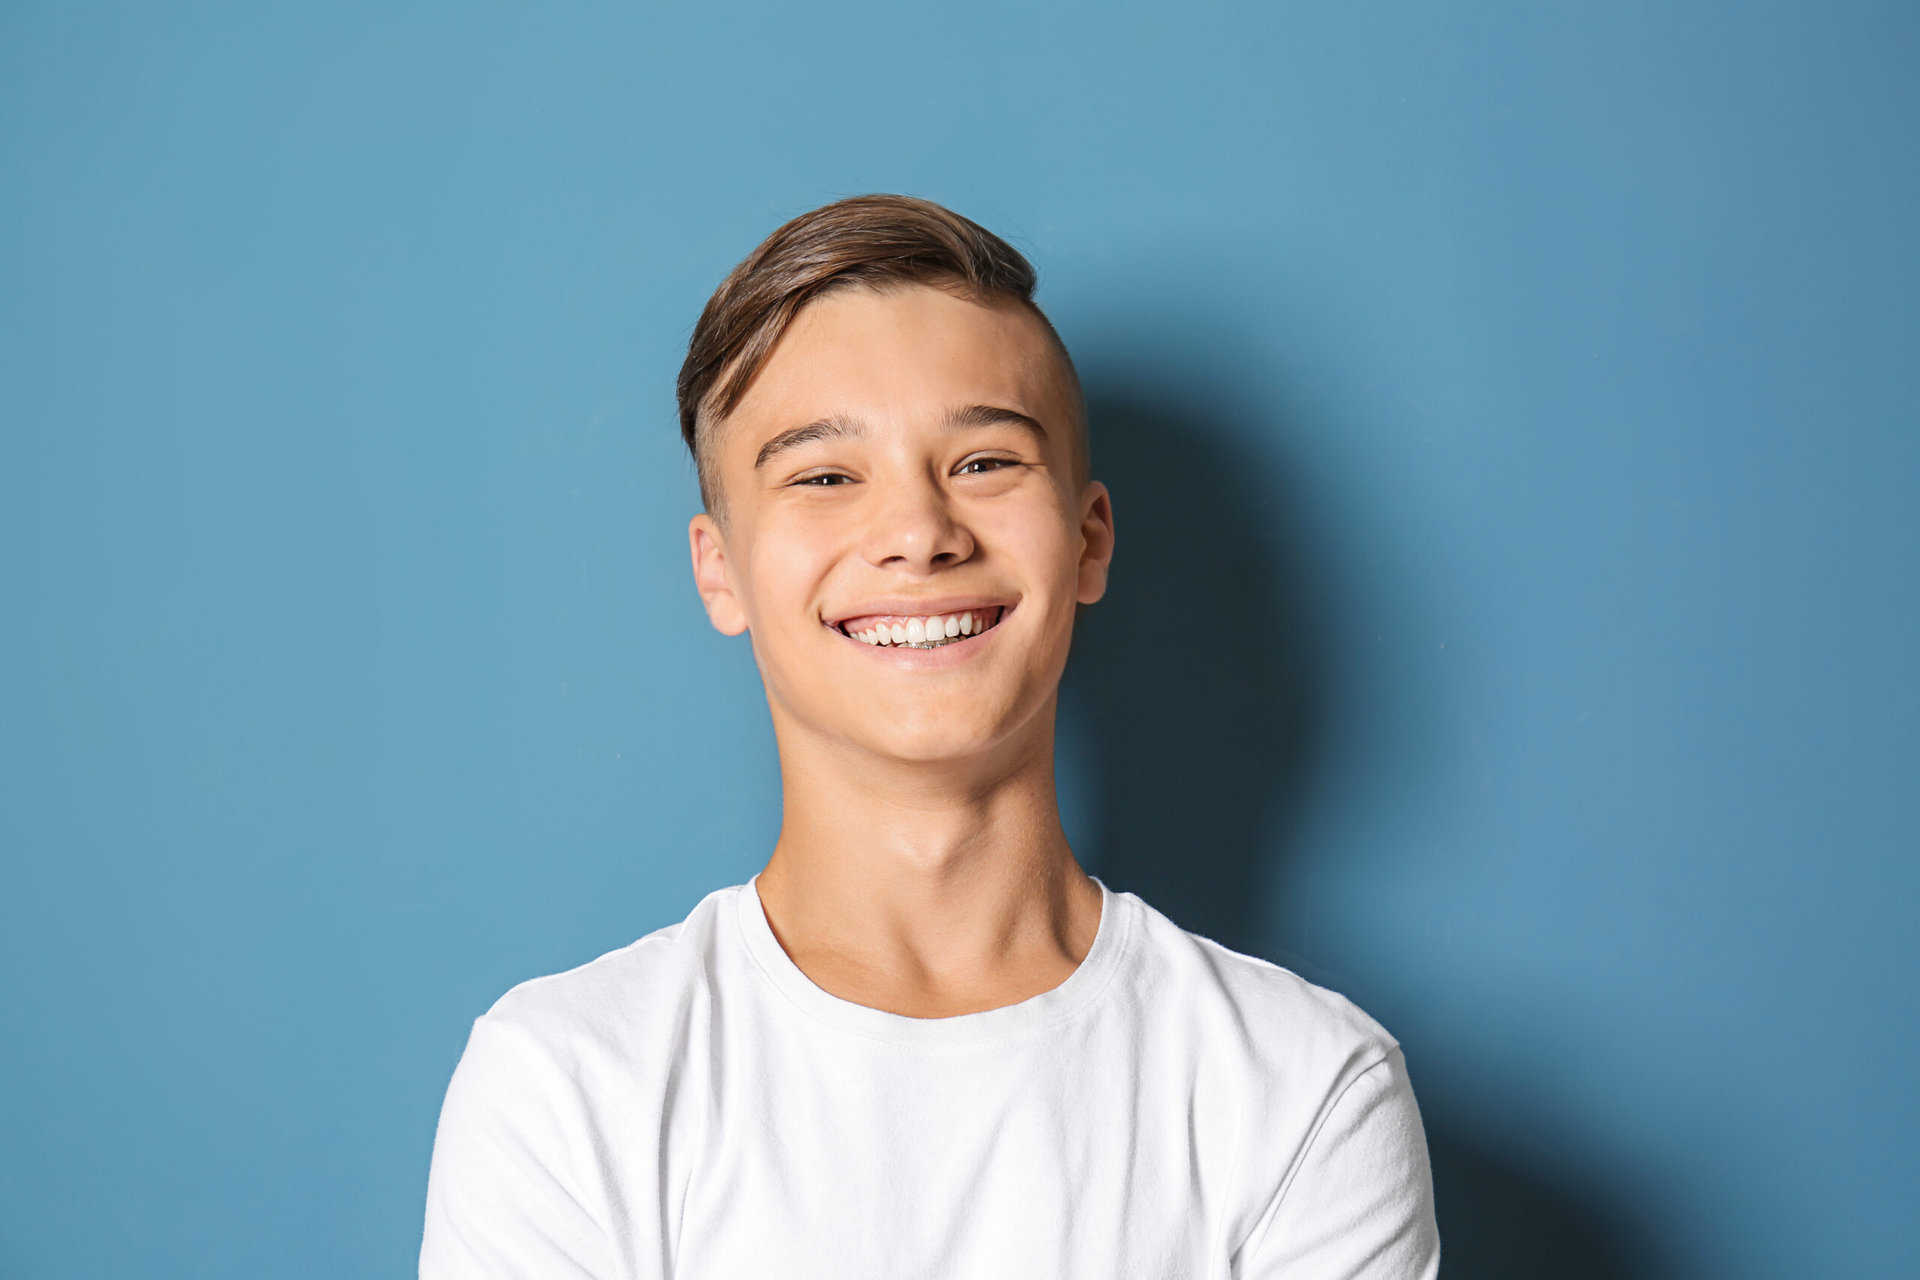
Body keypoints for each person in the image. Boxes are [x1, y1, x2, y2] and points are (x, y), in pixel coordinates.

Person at [418, 193, 1441, 1278]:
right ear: (720, 568)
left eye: (985, 461)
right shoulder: (567, 1081)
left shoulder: (1307, 1089)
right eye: (824, 476)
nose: (917, 532)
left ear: (1088, 540)